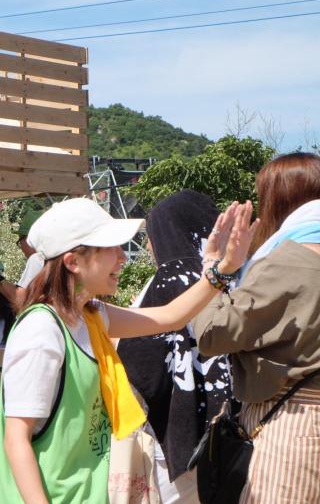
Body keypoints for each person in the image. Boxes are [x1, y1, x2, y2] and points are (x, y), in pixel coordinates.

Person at [0, 197, 257, 503]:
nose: (123, 257)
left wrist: (222, 269)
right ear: (73, 262)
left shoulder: (89, 315)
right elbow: (17, 440)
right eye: (111, 247)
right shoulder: (41, 331)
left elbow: (169, 316)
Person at [193, 152, 320, 503]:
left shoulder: (290, 260)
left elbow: (213, 333)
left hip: (294, 423)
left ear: (277, 201)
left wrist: (214, 267)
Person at [116, 190, 234, 503]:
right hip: (237, 432)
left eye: (153, 235)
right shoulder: (231, 275)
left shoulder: (168, 278)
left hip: (180, 434)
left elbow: (137, 361)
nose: (149, 246)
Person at [0, 209, 43, 308]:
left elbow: (19, 299)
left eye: (20, 240)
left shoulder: (37, 259)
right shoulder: (58, 258)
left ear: (30, 239)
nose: (20, 247)